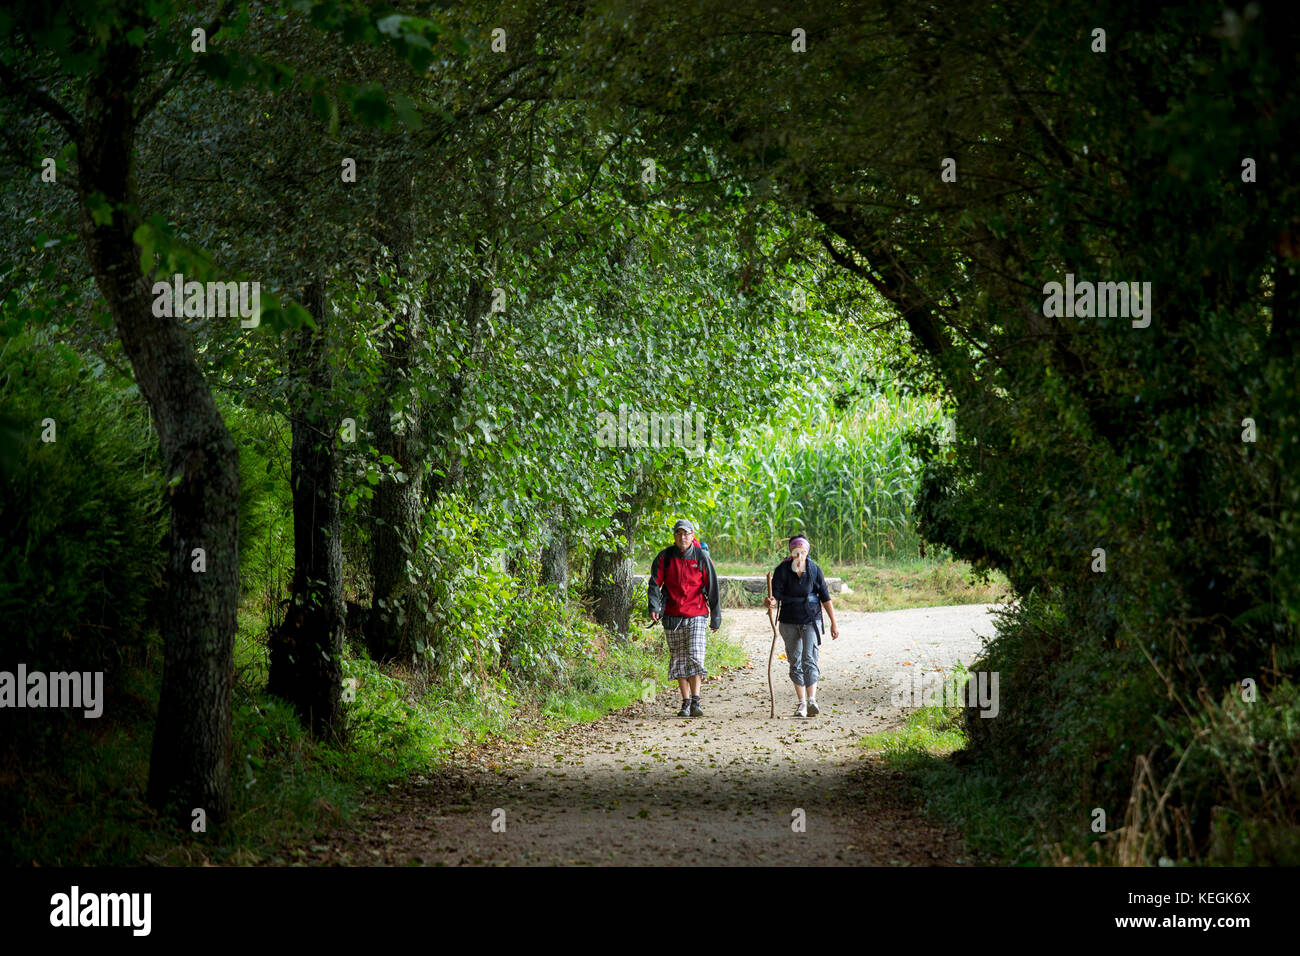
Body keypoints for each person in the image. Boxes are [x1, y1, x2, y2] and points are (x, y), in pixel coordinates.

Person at [648, 518, 721, 717]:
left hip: (696, 612)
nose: (683, 537)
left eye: (686, 533)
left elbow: (712, 587)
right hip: (672, 615)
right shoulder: (665, 557)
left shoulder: (701, 556)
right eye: (679, 533)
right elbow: (655, 583)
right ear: (674, 536)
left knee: (695, 655)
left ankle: (696, 700)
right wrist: (654, 606)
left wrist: (716, 617)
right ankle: (686, 702)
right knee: (679, 659)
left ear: (692, 536)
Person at [764, 535, 840, 717]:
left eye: (803, 552)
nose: (799, 556)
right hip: (788, 620)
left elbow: (825, 597)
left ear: (807, 552)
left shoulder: (814, 570)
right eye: (796, 552)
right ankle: (801, 703)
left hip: (811, 618)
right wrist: (770, 602)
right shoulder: (782, 570)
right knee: (794, 660)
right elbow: (775, 596)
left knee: (809, 658)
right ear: (791, 552)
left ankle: (812, 699)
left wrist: (833, 624)